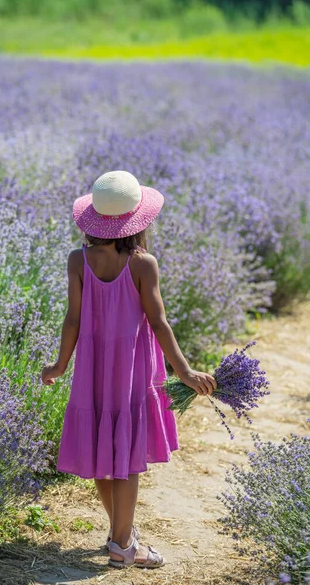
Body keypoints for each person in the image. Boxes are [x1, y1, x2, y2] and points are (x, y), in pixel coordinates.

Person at [41, 170, 217, 569]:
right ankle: (123, 546)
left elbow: (72, 319)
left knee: (105, 450)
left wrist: (59, 365)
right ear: (137, 222)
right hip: (132, 371)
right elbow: (159, 323)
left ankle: (121, 535)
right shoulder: (143, 264)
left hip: (92, 370)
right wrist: (185, 372)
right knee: (128, 454)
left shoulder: (78, 260)